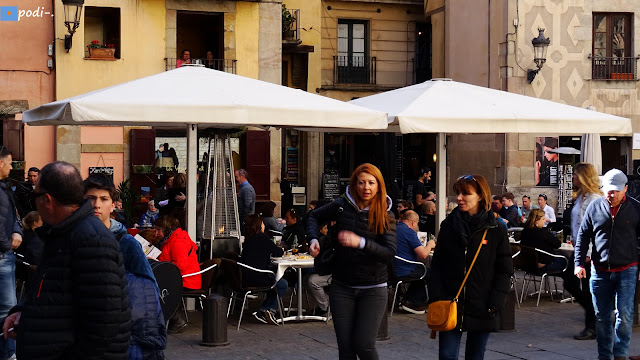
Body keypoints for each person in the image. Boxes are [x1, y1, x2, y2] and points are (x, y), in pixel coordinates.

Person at [3, 161, 130, 359]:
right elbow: (56, 294)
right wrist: (25, 315)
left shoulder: (90, 240)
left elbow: (104, 323)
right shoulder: (63, 233)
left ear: (46, 200)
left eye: (34, 195)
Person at [307, 163, 396, 359]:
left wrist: (361, 242)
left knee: (363, 345)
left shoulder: (386, 214)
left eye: (371, 183)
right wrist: (313, 239)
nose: (366, 187)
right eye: (361, 182)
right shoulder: (341, 205)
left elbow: (389, 253)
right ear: (354, 184)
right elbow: (313, 216)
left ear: (379, 186)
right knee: (345, 348)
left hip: (373, 288)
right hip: (342, 286)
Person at [428, 174, 513, 360]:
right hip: (450, 302)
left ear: (480, 196)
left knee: (475, 355)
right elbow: (437, 265)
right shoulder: (449, 226)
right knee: (447, 355)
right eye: (458, 193)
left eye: (465, 193)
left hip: (483, 304)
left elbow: (504, 270)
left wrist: (495, 303)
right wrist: (435, 296)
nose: (459, 198)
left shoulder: (495, 228)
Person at [83, 174, 166, 359]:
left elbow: (150, 288)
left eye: (103, 199)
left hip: (125, 335)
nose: (96, 204)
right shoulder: (76, 238)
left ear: (113, 205)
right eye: (90, 198)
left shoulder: (126, 242)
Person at [574, 169, 640, 360]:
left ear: (626, 189)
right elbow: (583, 236)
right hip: (600, 269)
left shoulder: (636, 208)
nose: (612, 194)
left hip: (627, 268)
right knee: (602, 316)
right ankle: (604, 355)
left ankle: (619, 354)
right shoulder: (595, 207)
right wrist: (578, 263)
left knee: (625, 315)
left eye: (616, 191)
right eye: (609, 190)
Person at [564, 162, 601, 341]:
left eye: (576, 175)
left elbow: (596, 227)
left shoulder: (594, 199)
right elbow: (578, 223)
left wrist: (589, 251)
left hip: (587, 251)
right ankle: (595, 316)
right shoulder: (580, 197)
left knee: (586, 288)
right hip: (579, 247)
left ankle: (592, 325)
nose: (573, 178)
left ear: (584, 177)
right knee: (570, 283)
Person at [153, 215, 201, 333]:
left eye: (158, 230)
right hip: (179, 277)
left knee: (155, 285)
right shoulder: (172, 239)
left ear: (166, 228)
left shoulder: (178, 241)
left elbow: (180, 265)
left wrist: (158, 262)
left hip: (186, 279)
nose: (155, 233)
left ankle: (176, 320)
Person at [240, 214, 287, 325]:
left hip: (246, 275)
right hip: (257, 277)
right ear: (258, 225)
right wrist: (283, 248)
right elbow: (278, 252)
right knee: (282, 284)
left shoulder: (248, 240)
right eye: (262, 223)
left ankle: (267, 309)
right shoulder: (262, 238)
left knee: (275, 279)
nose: (264, 224)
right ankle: (266, 309)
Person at [0, 148, 22, 360]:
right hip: (3, 256)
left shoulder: (5, 188)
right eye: (9, 163)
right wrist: (6, 245)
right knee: (7, 308)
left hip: (5, 255)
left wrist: (17, 230)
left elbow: (15, 215)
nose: (11, 166)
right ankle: (9, 354)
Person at [394, 210, 436, 314]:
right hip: (406, 269)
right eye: (417, 223)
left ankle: (408, 300)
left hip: (394, 268)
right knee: (433, 272)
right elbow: (423, 254)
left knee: (423, 270)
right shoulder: (408, 231)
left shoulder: (395, 228)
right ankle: (413, 302)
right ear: (413, 222)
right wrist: (430, 244)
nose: (417, 225)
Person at [307, 221, 333, 316]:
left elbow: (327, 261)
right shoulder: (324, 240)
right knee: (306, 278)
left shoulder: (327, 241)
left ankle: (325, 307)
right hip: (330, 271)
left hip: (336, 274)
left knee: (312, 280)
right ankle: (325, 304)